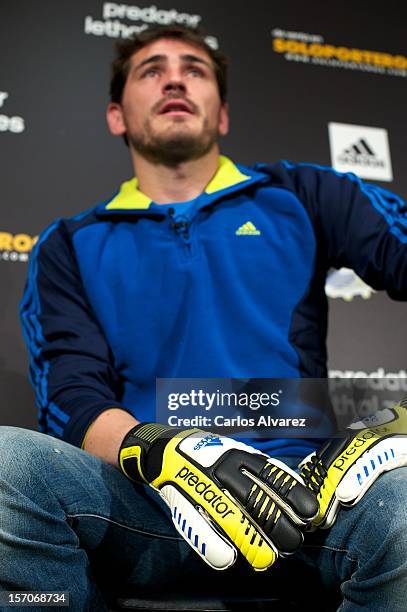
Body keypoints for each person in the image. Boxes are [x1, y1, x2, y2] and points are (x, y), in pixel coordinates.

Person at [0, 24, 405, 611]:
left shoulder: (302, 194)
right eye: (151, 70)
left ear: (222, 116)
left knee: (402, 507)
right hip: (153, 506)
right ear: (117, 116)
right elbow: (72, 399)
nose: (174, 79)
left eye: (194, 69)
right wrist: (162, 450)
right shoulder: (68, 245)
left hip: (307, 502)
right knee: (9, 468)